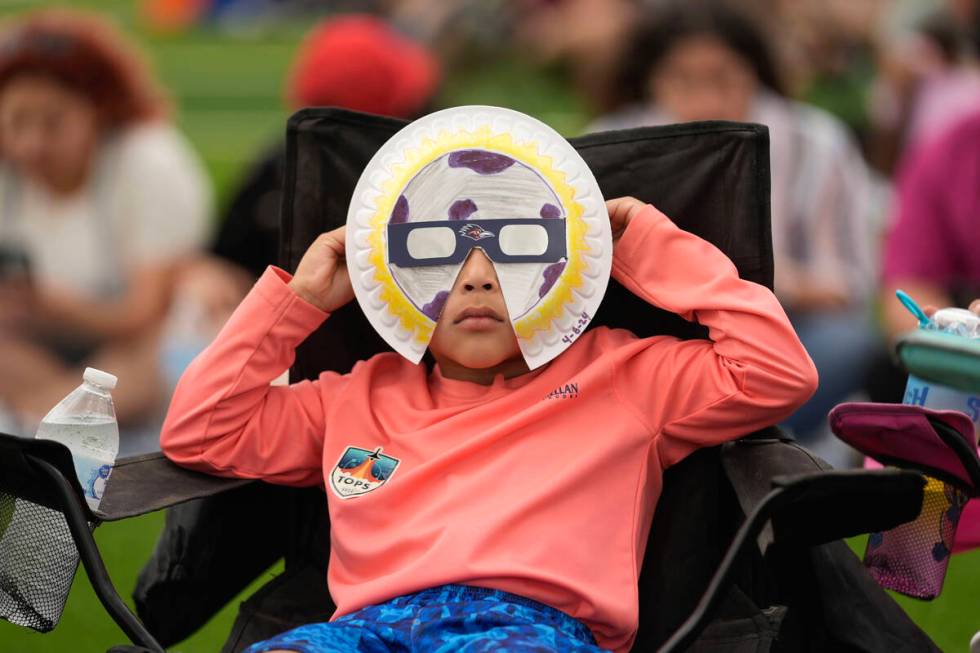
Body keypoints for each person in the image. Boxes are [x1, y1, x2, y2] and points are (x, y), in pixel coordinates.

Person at [160, 187, 817, 652]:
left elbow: (778, 372)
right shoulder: (355, 395)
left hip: (534, 627)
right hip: (369, 627)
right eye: (444, 262)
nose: (476, 280)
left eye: (511, 256)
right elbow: (200, 429)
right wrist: (298, 301)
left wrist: (648, 246)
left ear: (560, 272)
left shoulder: (626, 375)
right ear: (396, 286)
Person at [591, 0, 881, 464]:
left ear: (755, 73)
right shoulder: (617, 141)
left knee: (844, 342)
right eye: (683, 79)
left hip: (786, 334)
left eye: (723, 77)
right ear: (650, 79)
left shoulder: (817, 143)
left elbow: (851, 285)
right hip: (660, 345)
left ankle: (759, 451)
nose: (705, 97)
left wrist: (751, 284)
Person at [0, 10, 210, 432]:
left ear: (98, 110)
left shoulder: (148, 160)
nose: (32, 144)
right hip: (43, 351)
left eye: (53, 122)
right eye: (18, 122)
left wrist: (54, 307)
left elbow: (145, 311)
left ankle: (40, 429)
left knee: (172, 337)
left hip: (132, 353)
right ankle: (57, 426)